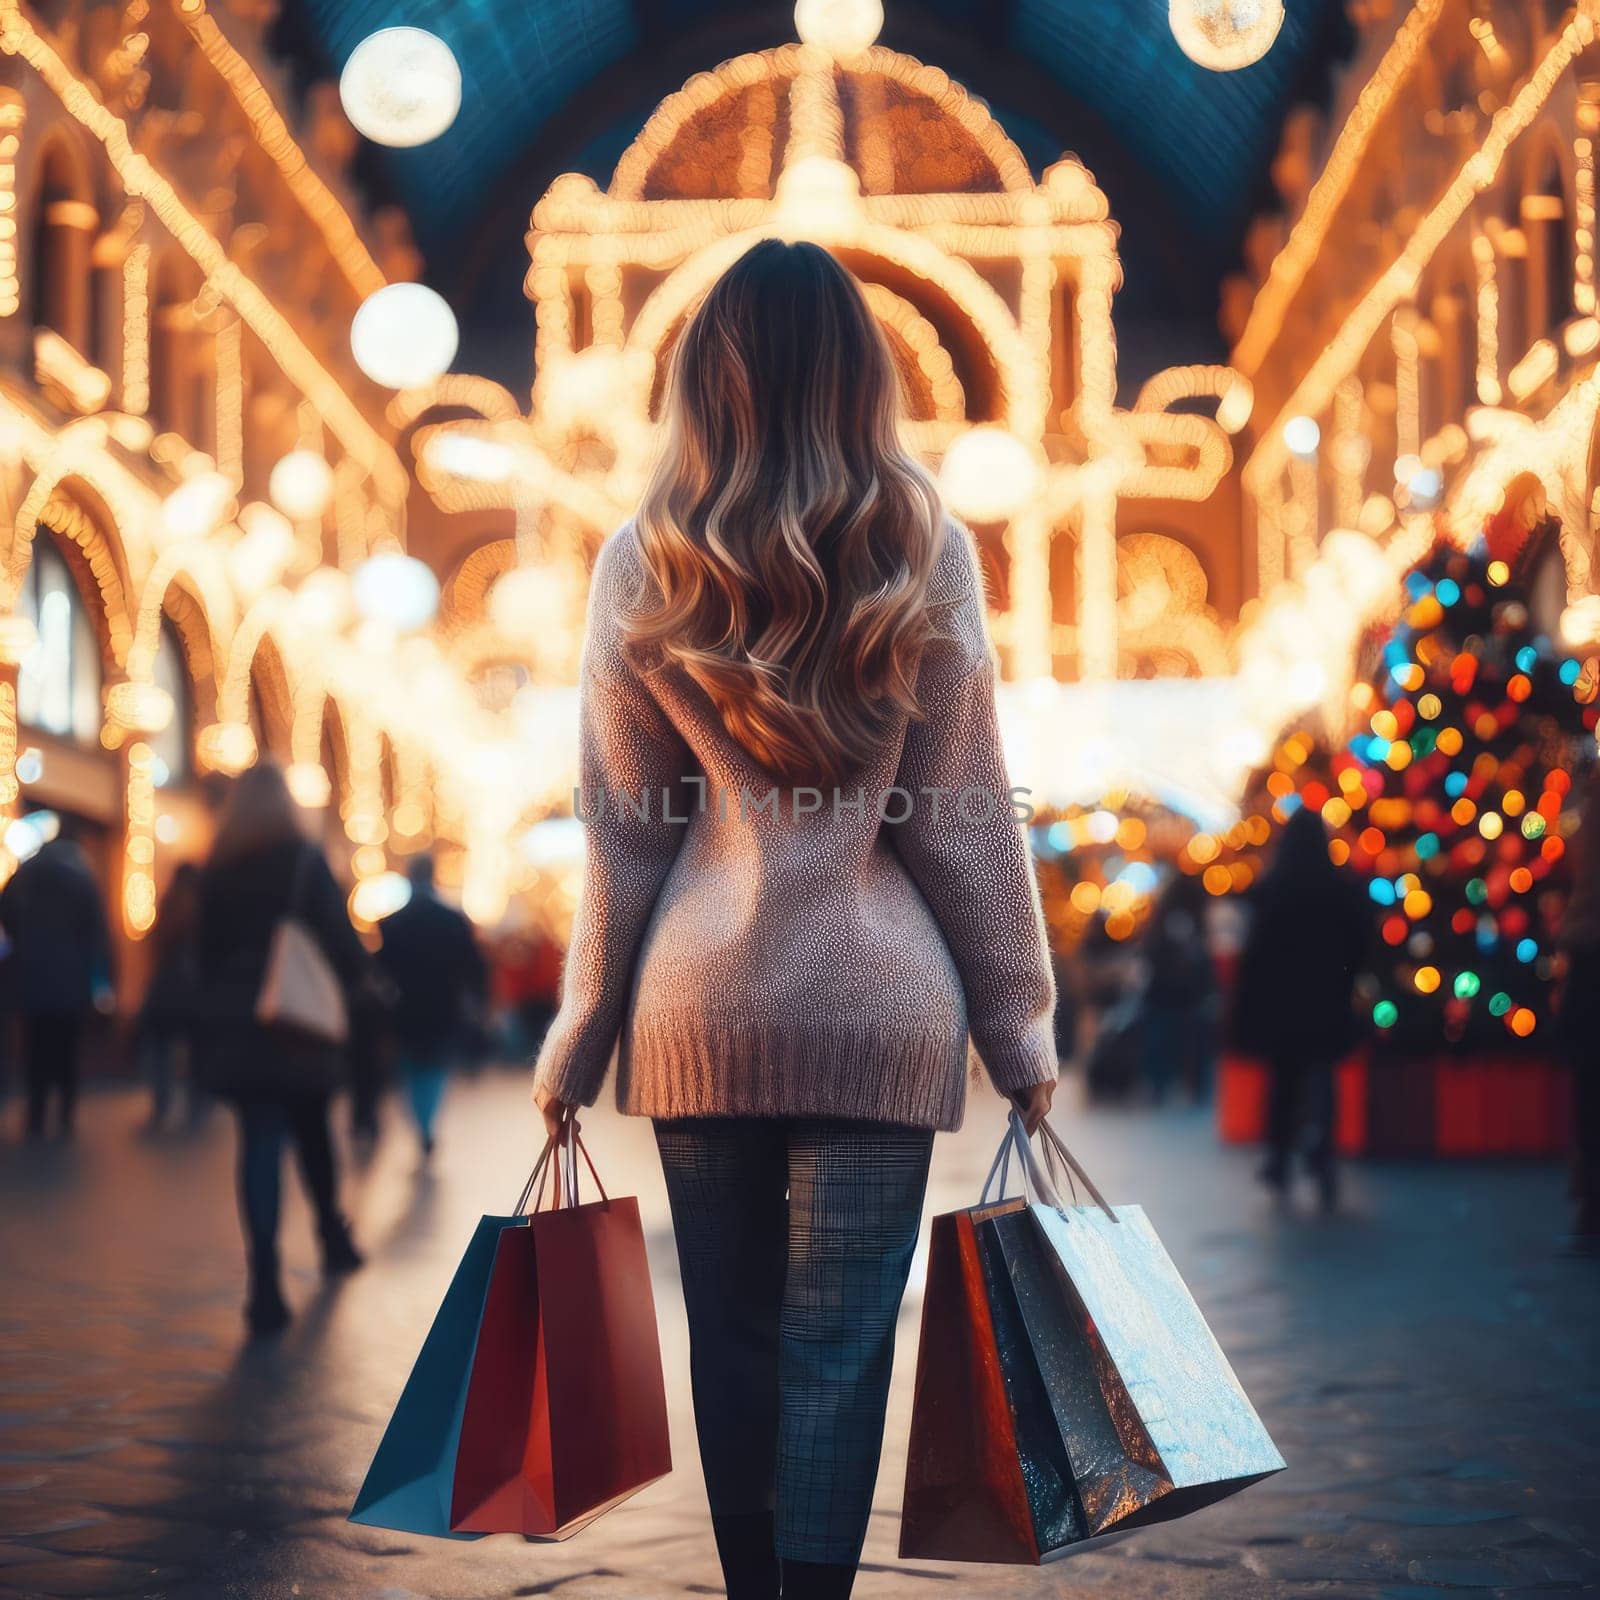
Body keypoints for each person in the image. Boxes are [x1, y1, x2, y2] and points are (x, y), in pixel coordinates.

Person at [532, 240, 1059, 1600]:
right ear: (860, 374)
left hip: (701, 1011)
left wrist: (581, 1031)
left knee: (736, 1335)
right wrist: (1020, 1023)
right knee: (841, 1344)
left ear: (704, 381)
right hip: (884, 1014)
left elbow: (625, 826)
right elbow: (962, 811)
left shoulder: (640, 566)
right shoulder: (922, 546)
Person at [192, 763, 370, 1334]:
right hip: (296, 1018)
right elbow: (342, 941)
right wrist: (353, 980)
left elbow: (202, 953)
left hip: (239, 1023)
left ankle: (264, 1281)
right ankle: (331, 1236)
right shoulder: (302, 859)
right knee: (314, 1132)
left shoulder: (217, 866)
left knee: (259, 1142)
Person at [1233, 805, 1368, 1211]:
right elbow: (1360, 944)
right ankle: (1323, 1157)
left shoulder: (1272, 888)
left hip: (1284, 1007)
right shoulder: (1340, 888)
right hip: (1327, 1002)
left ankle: (1279, 1158)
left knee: (1283, 1083)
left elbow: (1254, 954)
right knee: (1323, 1080)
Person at [0, 821, 113, 1138]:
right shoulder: (83, 878)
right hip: (70, 978)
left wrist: (22, 942)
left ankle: (36, 1113)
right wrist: (101, 982)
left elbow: (5, 910)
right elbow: (96, 934)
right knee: (66, 1048)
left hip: (31, 976)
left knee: (36, 1046)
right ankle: (65, 1113)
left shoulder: (26, 872)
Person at [374, 853, 487, 1158]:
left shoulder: (393, 923)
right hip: (443, 1006)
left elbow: (380, 969)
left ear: (410, 877)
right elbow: (473, 965)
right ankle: (426, 1124)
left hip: (406, 1007)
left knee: (411, 1068)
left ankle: (421, 1125)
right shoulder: (453, 920)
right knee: (435, 1067)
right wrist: (478, 1000)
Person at [1557, 763, 1600, 1252]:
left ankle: (1591, 1204)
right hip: (1591, 960)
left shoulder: (1588, 809)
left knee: (1589, 1096)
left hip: (1589, 962)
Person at [1139, 870, 1219, 1103]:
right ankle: (1194, 1086)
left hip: (1162, 992)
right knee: (1191, 1041)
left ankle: (1159, 1084)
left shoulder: (1162, 918)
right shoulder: (1194, 919)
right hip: (1188, 994)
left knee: (1160, 1039)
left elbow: (1151, 952)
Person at [135, 862, 204, 1131]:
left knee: (160, 1045)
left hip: (166, 987)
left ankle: (162, 1101)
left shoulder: (168, 904)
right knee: (196, 1047)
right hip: (194, 989)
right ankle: (197, 1101)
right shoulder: (203, 907)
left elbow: (155, 944)